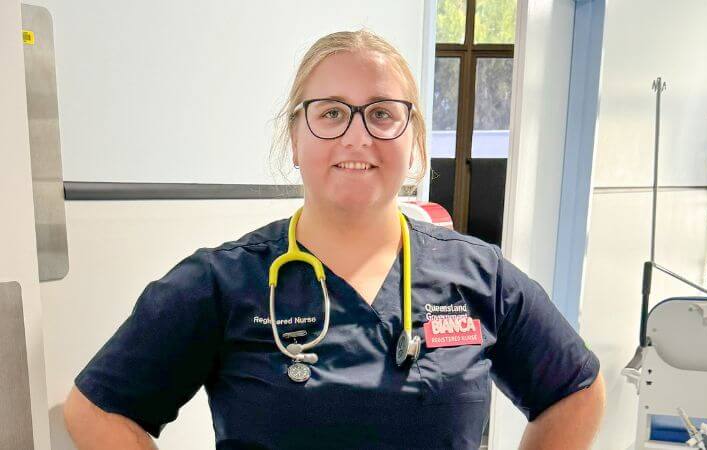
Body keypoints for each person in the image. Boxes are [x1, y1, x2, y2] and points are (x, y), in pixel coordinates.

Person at [63, 29, 605, 450]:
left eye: (382, 114)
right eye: (330, 113)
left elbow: (576, 392)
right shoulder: (222, 284)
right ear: (294, 138)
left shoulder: (480, 277)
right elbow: (96, 409)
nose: (357, 135)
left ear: (414, 143)